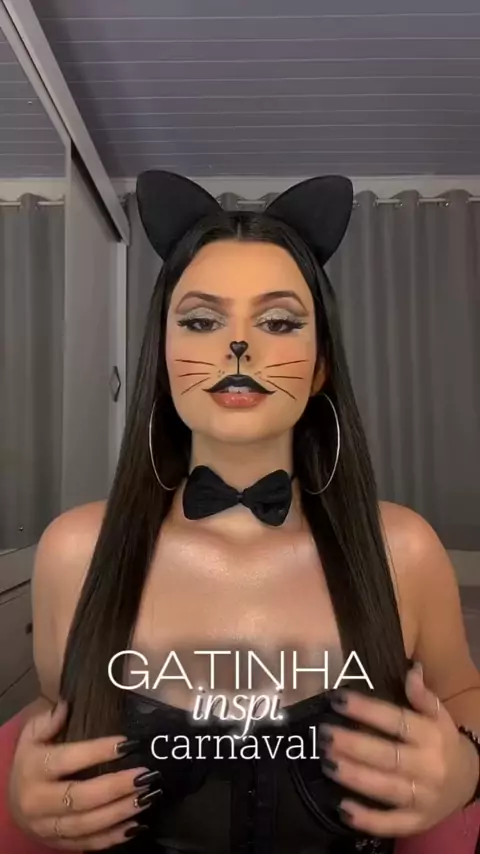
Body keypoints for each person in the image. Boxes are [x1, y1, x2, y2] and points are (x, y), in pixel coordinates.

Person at [7, 171, 480, 853]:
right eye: (201, 321)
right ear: (163, 358)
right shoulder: (74, 551)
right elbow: (56, 708)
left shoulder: (402, 549)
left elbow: (462, 692)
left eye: (279, 322)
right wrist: (27, 784)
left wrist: (467, 766)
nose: (238, 345)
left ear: (320, 366)